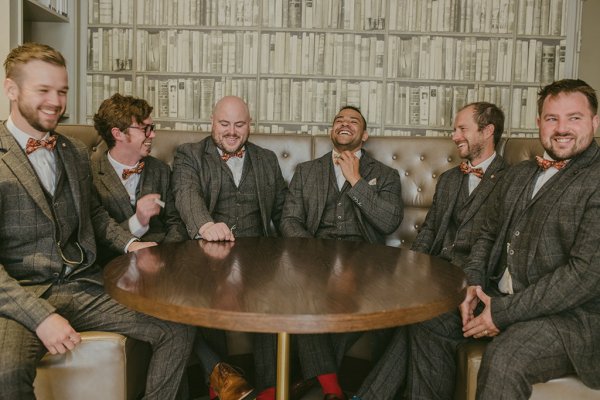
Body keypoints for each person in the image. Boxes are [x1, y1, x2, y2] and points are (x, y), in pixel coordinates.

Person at [0, 42, 194, 399]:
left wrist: (132, 243)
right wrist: (41, 317)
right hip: (20, 295)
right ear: (11, 89)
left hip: (81, 284)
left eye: (62, 91)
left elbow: (92, 216)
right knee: (6, 372)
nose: (56, 101)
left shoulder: (74, 151)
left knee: (177, 328)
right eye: (43, 90)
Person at [408, 78, 600, 399]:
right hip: (496, 296)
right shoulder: (520, 174)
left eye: (574, 118)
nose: (562, 128)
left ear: (595, 121)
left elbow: (583, 276)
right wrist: (474, 285)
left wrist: (502, 312)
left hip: (568, 319)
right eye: (552, 118)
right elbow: (486, 234)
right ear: (539, 123)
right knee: (428, 321)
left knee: (506, 358)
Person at [350, 102, 508, 399]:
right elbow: (431, 230)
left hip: (475, 285)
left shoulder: (510, 180)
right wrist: (409, 266)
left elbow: (494, 246)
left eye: (462, 129)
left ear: (487, 132)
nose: (454, 135)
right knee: (393, 305)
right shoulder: (449, 179)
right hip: (436, 276)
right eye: (454, 128)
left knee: (424, 319)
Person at [281, 105, 403, 399]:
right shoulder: (307, 171)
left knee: (358, 303)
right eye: (339, 120)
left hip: (366, 265)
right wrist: (314, 257)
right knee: (298, 298)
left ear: (365, 135)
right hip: (314, 260)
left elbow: (389, 222)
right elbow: (289, 220)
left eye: (353, 121)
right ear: (331, 130)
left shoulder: (385, 175)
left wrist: (356, 181)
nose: (345, 124)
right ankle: (332, 389)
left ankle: (318, 381)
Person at [171, 95, 288, 400]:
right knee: (195, 296)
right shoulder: (189, 155)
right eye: (224, 123)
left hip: (258, 257)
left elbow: (283, 211)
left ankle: (269, 389)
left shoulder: (267, 159)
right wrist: (206, 225)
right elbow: (186, 195)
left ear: (250, 126)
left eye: (239, 124)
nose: (232, 131)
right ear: (212, 123)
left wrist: (304, 246)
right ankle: (222, 381)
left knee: (273, 296)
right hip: (207, 256)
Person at [91, 93, 187, 264]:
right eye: (145, 129)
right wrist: (138, 221)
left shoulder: (160, 170)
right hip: (113, 264)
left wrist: (164, 256)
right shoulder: (91, 175)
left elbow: (176, 222)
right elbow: (98, 233)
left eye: (152, 128)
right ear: (118, 133)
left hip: (162, 260)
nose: (153, 135)